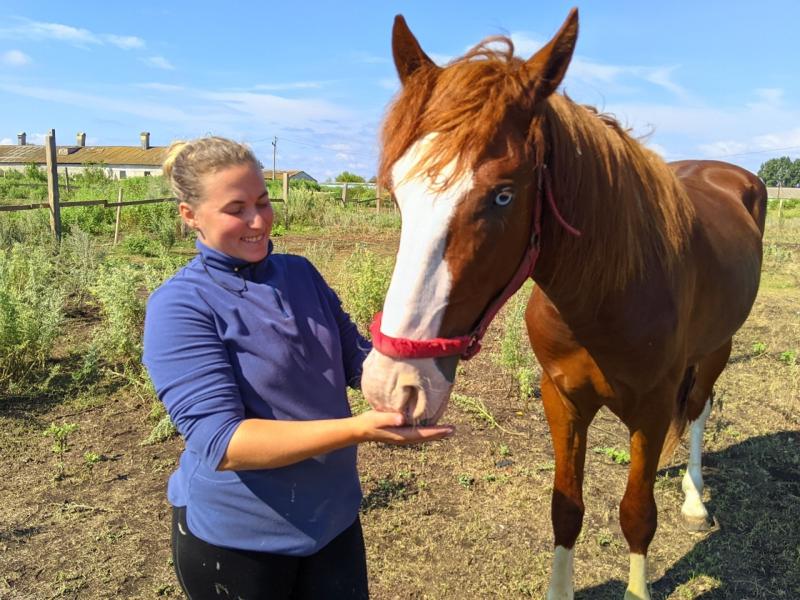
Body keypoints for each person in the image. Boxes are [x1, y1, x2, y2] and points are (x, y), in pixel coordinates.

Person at [142, 136, 454, 600]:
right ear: (190, 215)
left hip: (333, 520)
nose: (257, 220)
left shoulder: (300, 272)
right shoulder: (181, 305)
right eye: (236, 208)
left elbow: (353, 358)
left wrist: (413, 369)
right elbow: (223, 444)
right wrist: (359, 430)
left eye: (263, 201)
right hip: (239, 543)